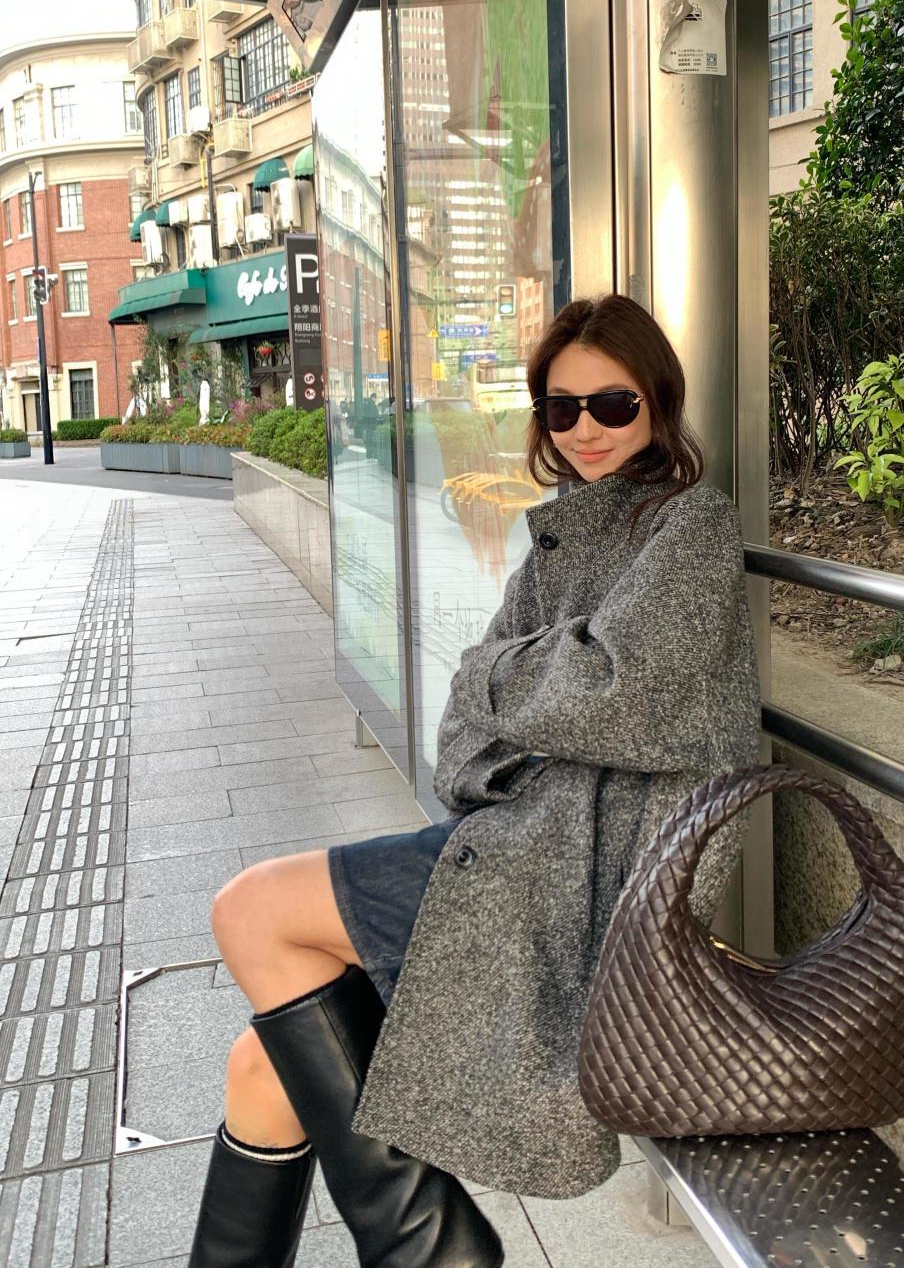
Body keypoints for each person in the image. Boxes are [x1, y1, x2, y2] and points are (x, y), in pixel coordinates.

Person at [187, 292, 761, 1267]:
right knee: (262, 1069)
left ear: (658, 403)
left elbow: (619, 694)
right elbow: (462, 729)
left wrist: (513, 680)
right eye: (562, 409)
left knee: (251, 911)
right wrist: (535, 683)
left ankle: (435, 1251)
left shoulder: (689, 528)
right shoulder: (564, 537)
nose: (585, 429)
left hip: (598, 878)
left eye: (612, 405)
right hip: (524, 841)